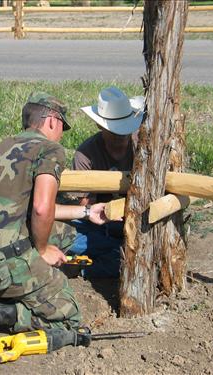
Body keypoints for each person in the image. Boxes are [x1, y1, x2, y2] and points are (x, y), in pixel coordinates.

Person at [0, 92, 109, 349]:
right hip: (6, 262)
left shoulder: (4, 145)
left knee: (68, 234)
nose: (62, 134)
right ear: (52, 121)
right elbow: (40, 208)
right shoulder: (50, 149)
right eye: (62, 127)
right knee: (69, 321)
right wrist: (42, 250)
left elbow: (27, 208)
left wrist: (86, 212)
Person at [69, 86, 145, 278]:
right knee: (71, 235)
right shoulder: (85, 154)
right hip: (102, 222)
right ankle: (110, 257)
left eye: (124, 131)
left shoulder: (143, 146)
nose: (120, 136)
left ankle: (93, 263)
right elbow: (86, 204)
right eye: (114, 132)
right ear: (100, 126)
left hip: (140, 217)